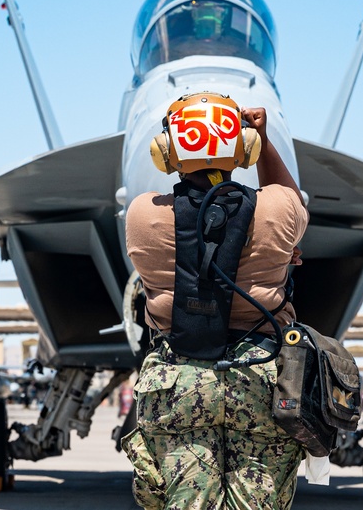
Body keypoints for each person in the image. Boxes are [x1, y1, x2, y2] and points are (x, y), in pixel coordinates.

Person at [122, 91, 308, 510]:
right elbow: (287, 196)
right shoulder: (278, 212)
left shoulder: (142, 216)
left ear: (167, 151)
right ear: (243, 148)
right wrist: (262, 138)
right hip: (258, 379)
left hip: (178, 381)